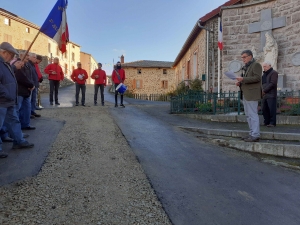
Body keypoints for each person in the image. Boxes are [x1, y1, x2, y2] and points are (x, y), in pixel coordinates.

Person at [0, 42, 34, 158]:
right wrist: (6, 94)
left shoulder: (5, 64)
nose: (12, 57)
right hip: (2, 100)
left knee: (14, 120)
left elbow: (7, 76)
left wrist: (15, 67)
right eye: (11, 55)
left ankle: (19, 141)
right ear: (3, 52)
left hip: (7, 100)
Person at [236, 50, 262, 142]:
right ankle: (251, 133)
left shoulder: (256, 65)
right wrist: (240, 82)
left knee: (252, 114)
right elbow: (247, 80)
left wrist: (243, 79)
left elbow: (257, 78)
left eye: (245, 57)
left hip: (252, 94)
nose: (243, 59)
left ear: (250, 56)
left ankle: (255, 134)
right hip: (246, 94)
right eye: (242, 57)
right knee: (248, 115)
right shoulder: (247, 67)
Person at [12, 57, 36, 130]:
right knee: (17, 110)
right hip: (20, 91)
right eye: (26, 56)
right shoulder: (18, 65)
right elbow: (21, 77)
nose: (28, 57)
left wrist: (32, 84)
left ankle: (25, 124)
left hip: (26, 91)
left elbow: (30, 77)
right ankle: (17, 129)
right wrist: (30, 85)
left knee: (27, 109)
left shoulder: (27, 65)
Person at [262, 61, 278, 127]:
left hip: (271, 94)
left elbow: (273, 83)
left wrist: (264, 91)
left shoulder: (274, 73)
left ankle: (272, 123)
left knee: (271, 109)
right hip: (265, 95)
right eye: (263, 66)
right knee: (264, 109)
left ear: (269, 66)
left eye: (265, 66)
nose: (264, 68)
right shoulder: (264, 74)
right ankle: (266, 122)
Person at [27, 53, 41, 117]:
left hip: (35, 84)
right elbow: (29, 75)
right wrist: (31, 84)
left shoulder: (33, 65)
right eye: (34, 57)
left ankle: (32, 111)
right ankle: (29, 112)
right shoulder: (28, 64)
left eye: (35, 57)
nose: (35, 59)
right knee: (30, 100)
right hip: (31, 85)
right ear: (29, 57)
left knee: (33, 99)